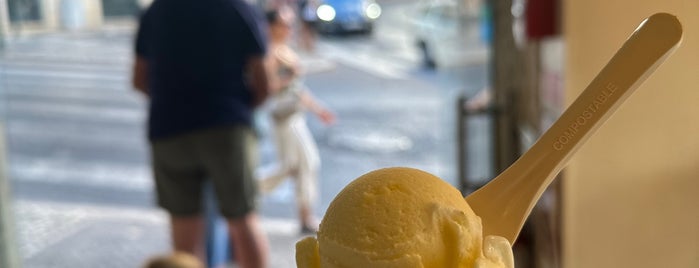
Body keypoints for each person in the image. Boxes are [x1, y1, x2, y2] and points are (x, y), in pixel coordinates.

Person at [131, 0, 271, 267]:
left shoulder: (157, 11)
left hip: (168, 128)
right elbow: (264, 84)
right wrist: (236, 107)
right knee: (243, 220)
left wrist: (175, 100)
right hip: (226, 128)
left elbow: (138, 79)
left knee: (184, 231)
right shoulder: (237, 8)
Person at [259, 7, 335, 234]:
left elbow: (298, 90)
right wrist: (286, 78)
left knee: (299, 166)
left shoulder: (285, 49)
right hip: (283, 118)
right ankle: (247, 188)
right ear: (272, 27)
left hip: (295, 115)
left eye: (291, 24)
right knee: (302, 163)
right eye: (285, 24)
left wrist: (318, 109)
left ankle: (305, 216)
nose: (289, 29)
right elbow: (266, 86)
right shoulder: (269, 51)